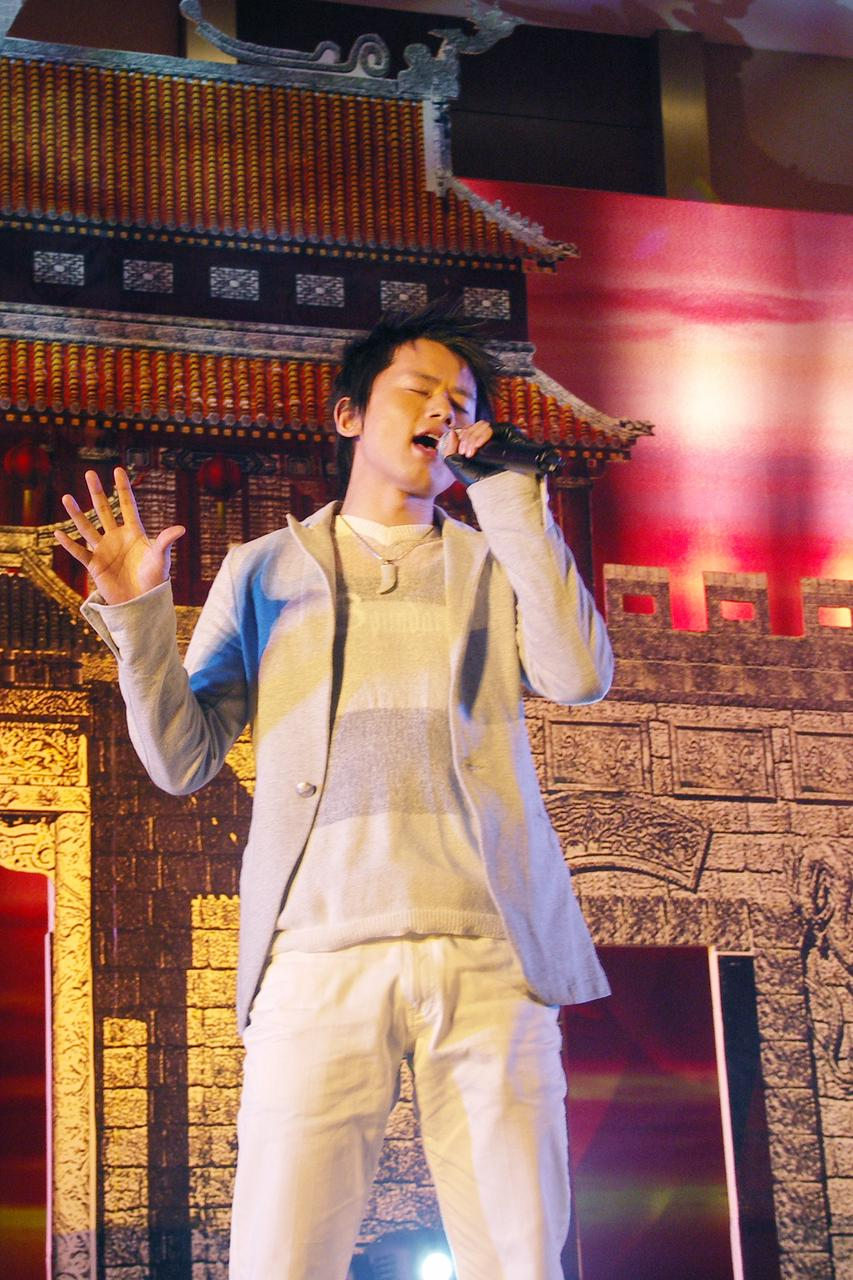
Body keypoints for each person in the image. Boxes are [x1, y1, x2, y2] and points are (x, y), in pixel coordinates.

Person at [56, 304, 613, 1280]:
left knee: (521, 1254)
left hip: (489, 951)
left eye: (461, 403)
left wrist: (511, 497)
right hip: (315, 952)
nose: (443, 414)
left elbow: (577, 675)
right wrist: (138, 614)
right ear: (349, 414)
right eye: (419, 392)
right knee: (282, 1255)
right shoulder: (262, 570)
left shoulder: (498, 563)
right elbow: (182, 757)